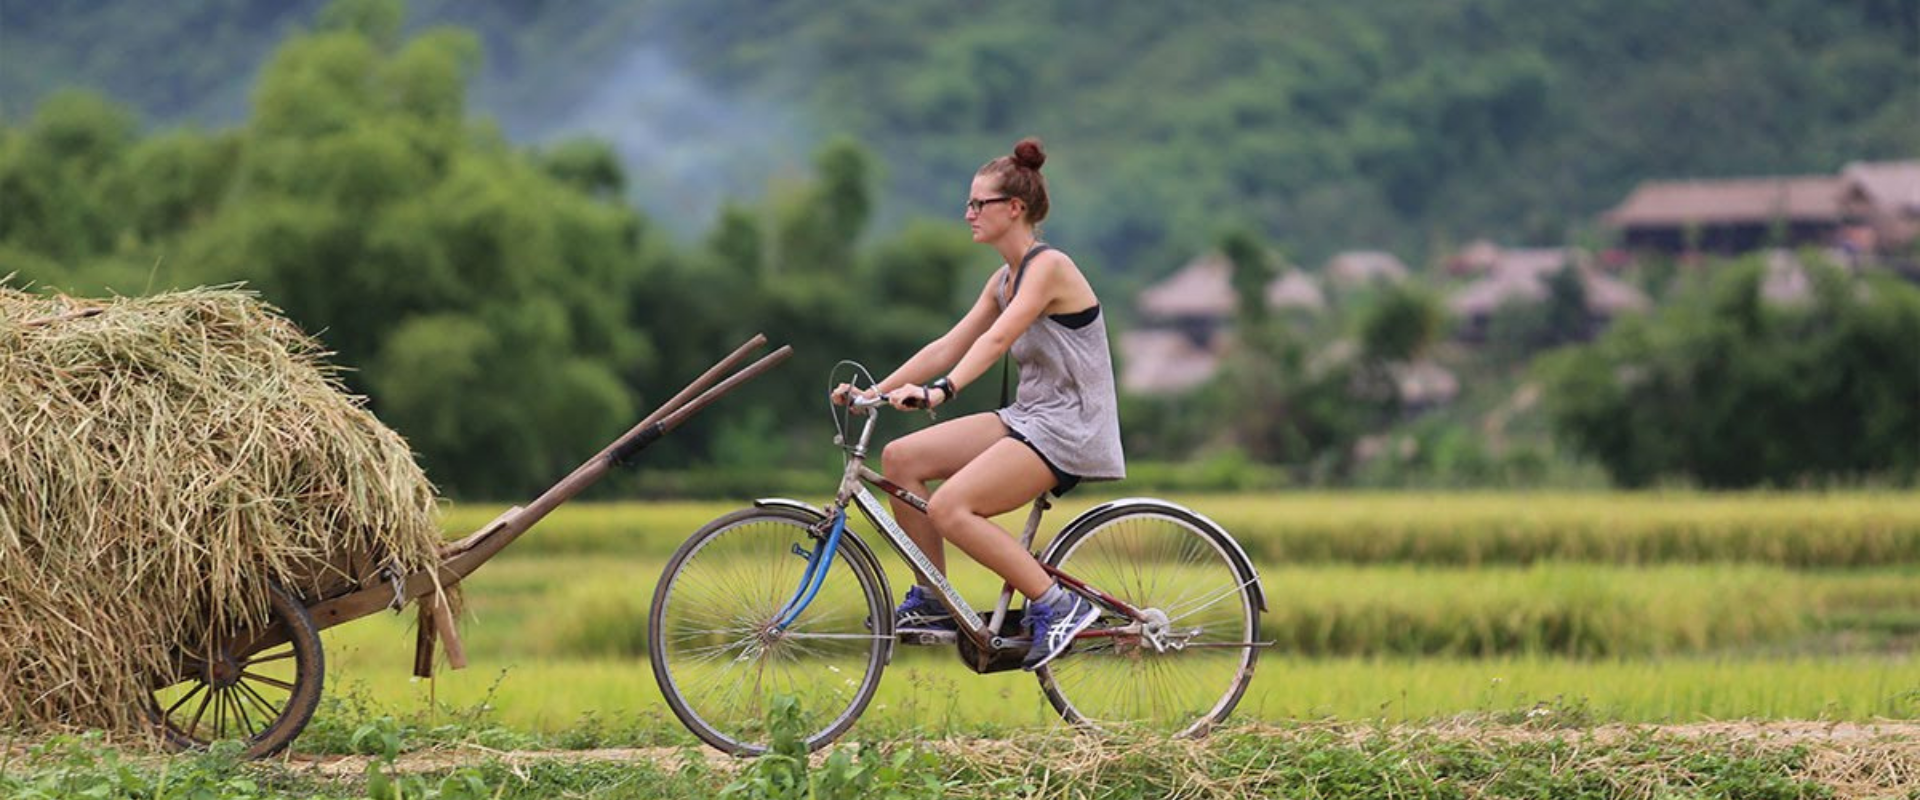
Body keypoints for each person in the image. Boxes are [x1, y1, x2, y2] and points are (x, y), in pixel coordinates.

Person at [830, 137, 1124, 671]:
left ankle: (1058, 604)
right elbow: (949, 344)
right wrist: (873, 394)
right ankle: (934, 601)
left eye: (977, 204)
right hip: (1029, 419)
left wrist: (942, 391)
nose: (967, 213)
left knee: (949, 508)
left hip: (1069, 427)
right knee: (901, 460)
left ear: (1014, 209)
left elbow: (994, 342)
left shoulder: (1050, 268)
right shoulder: (1003, 279)